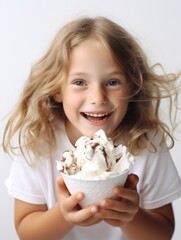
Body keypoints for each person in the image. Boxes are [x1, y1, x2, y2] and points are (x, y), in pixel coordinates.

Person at [3, 16, 181, 240]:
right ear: (58, 89)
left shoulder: (146, 141)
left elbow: (162, 233)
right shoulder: (39, 141)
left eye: (112, 82)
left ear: (133, 87)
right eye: (80, 82)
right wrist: (63, 215)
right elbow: (27, 232)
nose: (97, 97)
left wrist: (131, 216)